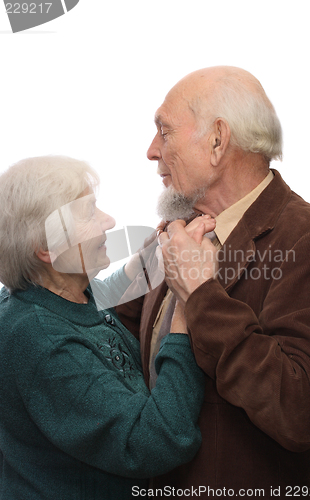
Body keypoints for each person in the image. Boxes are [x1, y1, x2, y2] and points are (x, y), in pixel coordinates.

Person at [115, 66, 310, 498]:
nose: (151, 151)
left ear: (217, 140)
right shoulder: (178, 231)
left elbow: (300, 411)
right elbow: (111, 332)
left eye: (164, 131)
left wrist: (200, 294)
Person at [0, 155, 211, 500]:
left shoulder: (55, 294)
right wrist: (188, 308)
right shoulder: (42, 342)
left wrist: (158, 252)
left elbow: (105, 293)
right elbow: (155, 444)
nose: (109, 222)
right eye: (88, 215)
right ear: (46, 249)